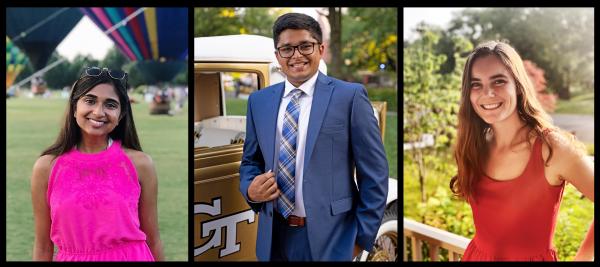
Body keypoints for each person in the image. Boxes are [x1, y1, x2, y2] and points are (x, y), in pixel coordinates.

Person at [239, 13, 388, 261]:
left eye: (305, 46)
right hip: (273, 237)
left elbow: (375, 174)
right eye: (287, 49)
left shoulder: (349, 97)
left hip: (332, 239)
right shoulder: (259, 101)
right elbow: (250, 162)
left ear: (320, 49)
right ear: (278, 56)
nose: (296, 55)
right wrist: (250, 190)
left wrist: (360, 240)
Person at [451, 41, 594, 261]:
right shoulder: (475, 145)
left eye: (498, 81)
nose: (487, 93)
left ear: (518, 85)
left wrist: (583, 258)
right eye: (475, 84)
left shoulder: (552, 148)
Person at [31, 67, 165, 261]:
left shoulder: (140, 164)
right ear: (74, 107)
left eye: (110, 105)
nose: (98, 112)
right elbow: (43, 246)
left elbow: (153, 240)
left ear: (120, 115)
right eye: (90, 101)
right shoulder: (46, 168)